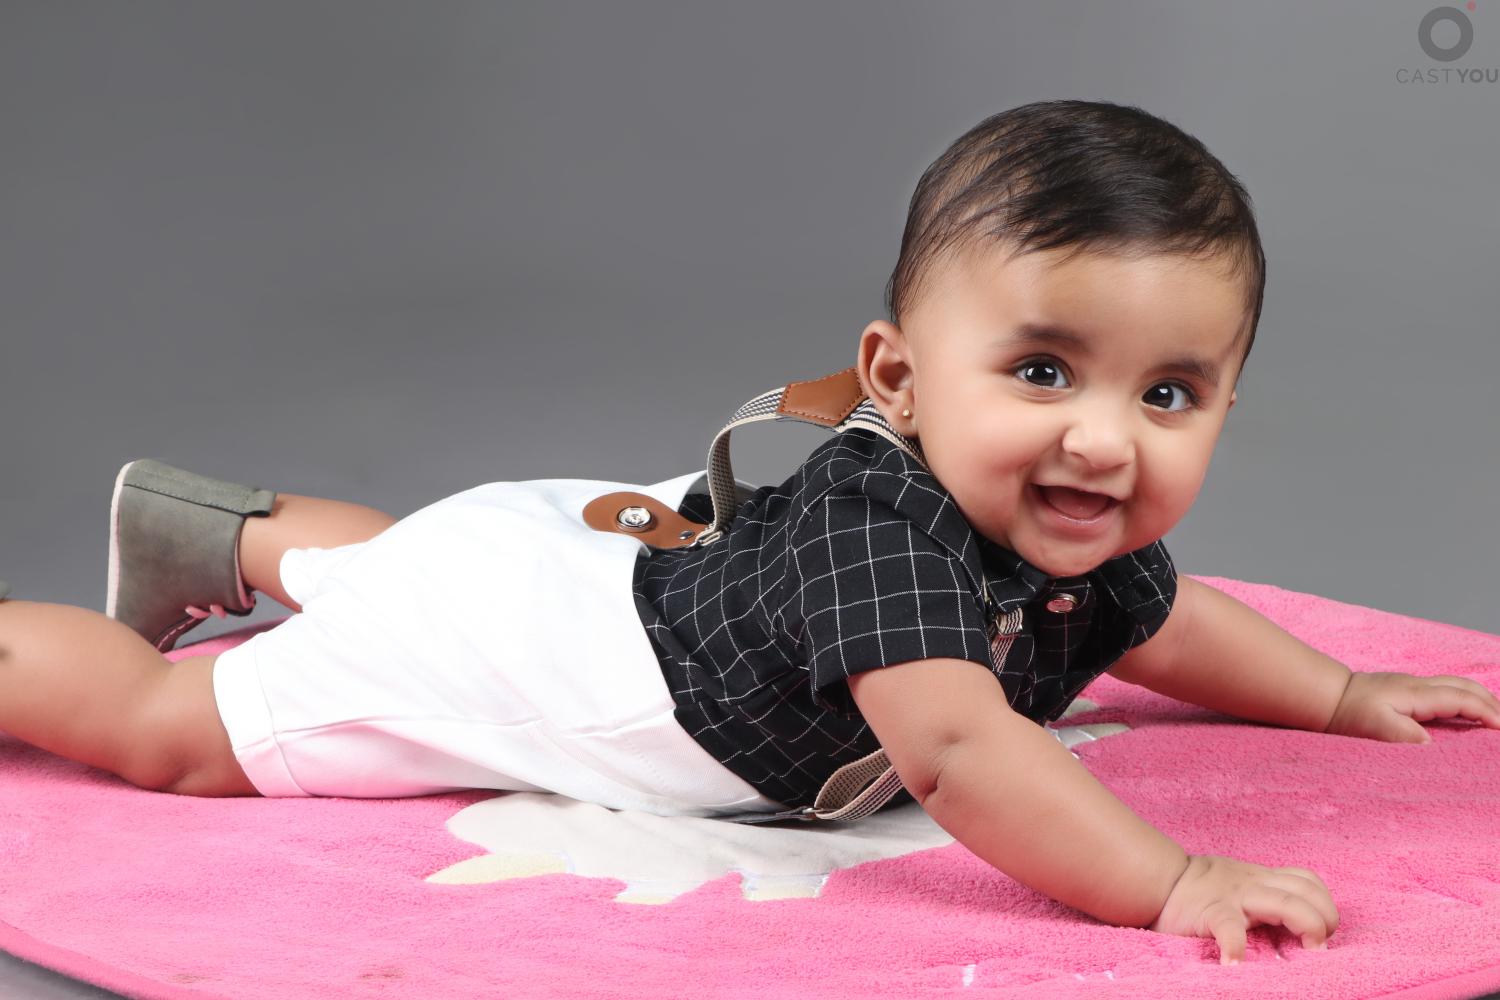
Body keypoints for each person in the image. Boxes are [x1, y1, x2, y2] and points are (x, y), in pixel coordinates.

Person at [2, 99, 1497, 966]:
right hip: (550, 665)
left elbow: (1170, 621)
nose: (1104, 439)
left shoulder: (1066, 522)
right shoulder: (885, 531)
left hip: (579, 564)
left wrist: (1336, 693)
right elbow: (959, 753)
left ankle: (235, 538)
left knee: (404, 567)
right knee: (175, 729)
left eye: (1169, 394)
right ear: (898, 376)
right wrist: (1171, 882)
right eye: (1043, 371)